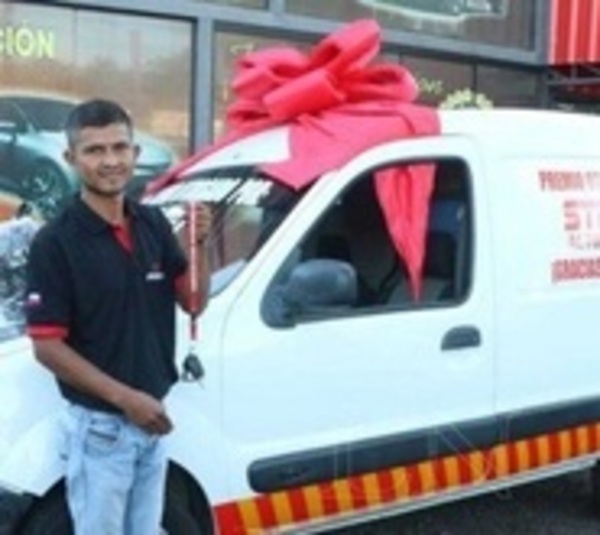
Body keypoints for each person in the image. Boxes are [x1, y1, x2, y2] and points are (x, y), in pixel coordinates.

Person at [24, 98, 211, 535]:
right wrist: (127, 399)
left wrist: (200, 247)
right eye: (94, 151)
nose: (110, 161)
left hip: (151, 421)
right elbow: (47, 346)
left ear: (135, 153)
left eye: (119, 147)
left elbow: (194, 302)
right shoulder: (56, 242)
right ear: (71, 158)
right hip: (100, 430)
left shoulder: (152, 225)